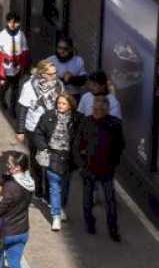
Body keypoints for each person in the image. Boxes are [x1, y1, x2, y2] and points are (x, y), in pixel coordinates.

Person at [73, 96, 125, 241]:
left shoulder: (115, 124)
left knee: (110, 201)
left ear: (107, 109)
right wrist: (81, 165)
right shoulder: (86, 122)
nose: (98, 111)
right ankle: (90, 224)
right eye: (95, 108)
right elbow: (77, 145)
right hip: (88, 169)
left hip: (107, 169)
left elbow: (120, 145)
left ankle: (113, 230)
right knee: (87, 200)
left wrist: (113, 163)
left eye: (101, 109)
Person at [16, 59, 64, 203]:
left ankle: (49, 195)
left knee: (51, 162)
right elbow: (23, 109)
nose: (54, 77)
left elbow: (63, 104)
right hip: (34, 128)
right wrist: (20, 130)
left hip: (52, 128)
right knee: (37, 160)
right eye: (50, 74)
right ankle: (38, 189)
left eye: (55, 73)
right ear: (42, 74)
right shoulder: (29, 87)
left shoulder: (59, 85)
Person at [33, 92, 80, 231]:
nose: (60, 106)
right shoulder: (48, 116)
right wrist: (43, 147)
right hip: (52, 154)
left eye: (64, 103)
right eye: (59, 103)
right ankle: (56, 216)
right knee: (54, 187)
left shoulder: (77, 119)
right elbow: (38, 132)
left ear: (70, 105)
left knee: (65, 186)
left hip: (68, 157)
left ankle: (60, 207)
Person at [0, 11, 30, 118]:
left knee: (15, 89)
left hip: (16, 67)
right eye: (10, 22)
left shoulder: (21, 34)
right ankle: (1, 97)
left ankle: (12, 109)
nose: (13, 25)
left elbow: (25, 50)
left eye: (15, 22)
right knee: (5, 86)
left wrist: (25, 65)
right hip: (5, 67)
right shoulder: (2, 34)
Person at [47, 35, 87, 102]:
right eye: (59, 48)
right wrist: (61, 79)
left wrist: (71, 79)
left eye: (65, 49)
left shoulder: (78, 60)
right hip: (55, 96)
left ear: (71, 49)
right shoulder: (50, 60)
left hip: (73, 97)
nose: (61, 51)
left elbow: (83, 80)